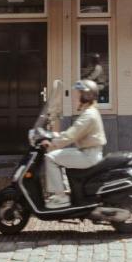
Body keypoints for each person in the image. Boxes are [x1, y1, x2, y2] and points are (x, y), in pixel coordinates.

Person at [43, 78, 106, 208]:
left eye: (77, 94)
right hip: (87, 152)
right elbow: (73, 132)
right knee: (58, 155)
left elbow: (72, 134)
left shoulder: (89, 115)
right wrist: (55, 137)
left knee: (50, 157)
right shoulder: (89, 112)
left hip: (88, 156)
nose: (74, 97)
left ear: (85, 95)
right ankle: (65, 191)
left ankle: (61, 197)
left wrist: (53, 143)